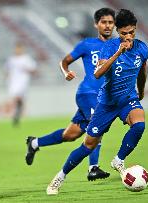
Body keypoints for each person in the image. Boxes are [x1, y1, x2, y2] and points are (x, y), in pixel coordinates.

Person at [46, 9, 148, 195]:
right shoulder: (109, 47)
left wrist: (141, 92)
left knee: (139, 124)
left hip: (128, 99)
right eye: (124, 33)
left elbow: (142, 72)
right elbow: (97, 73)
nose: (128, 36)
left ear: (135, 29)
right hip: (107, 103)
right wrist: (118, 52)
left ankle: (119, 159)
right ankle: (60, 177)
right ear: (118, 31)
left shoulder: (142, 48)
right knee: (88, 145)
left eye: (131, 32)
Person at [25, 8, 115, 181]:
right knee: (98, 124)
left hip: (103, 97)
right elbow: (64, 61)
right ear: (96, 24)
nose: (107, 25)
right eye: (104, 22)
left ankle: (34, 143)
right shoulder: (87, 44)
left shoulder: (116, 46)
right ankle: (93, 168)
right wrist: (66, 72)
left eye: (111, 22)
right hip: (87, 93)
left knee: (70, 135)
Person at [5, 42, 37, 126]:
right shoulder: (11, 59)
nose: (17, 50)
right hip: (13, 82)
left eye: (19, 48)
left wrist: (27, 70)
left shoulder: (26, 59)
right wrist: (7, 77)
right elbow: (7, 70)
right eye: (16, 48)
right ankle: (17, 115)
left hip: (23, 81)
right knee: (18, 99)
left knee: (17, 98)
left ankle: (15, 115)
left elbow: (33, 70)